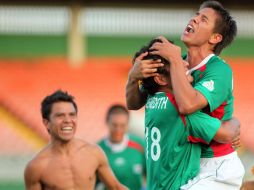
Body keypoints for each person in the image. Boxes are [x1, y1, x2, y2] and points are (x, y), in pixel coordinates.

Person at [125, 1, 244, 189]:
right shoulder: (178, 64)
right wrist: (133, 77)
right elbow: (136, 102)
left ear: (215, 37)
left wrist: (173, 58)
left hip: (216, 164)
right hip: (189, 162)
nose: (194, 19)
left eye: (203, 19)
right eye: (196, 14)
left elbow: (187, 105)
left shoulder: (218, 69)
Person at [24, 90, 127, 190]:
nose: (68, 120)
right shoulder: (36, 167)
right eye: (60, 115)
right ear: (46, 123)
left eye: (72, 115)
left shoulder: (94, 153)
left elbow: (115, 187)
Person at [97, 104, 146, 190]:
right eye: (114, 125)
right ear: (107, 122)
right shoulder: (98, 150)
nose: (118, 130)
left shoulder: (139, 145)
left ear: (128, 124)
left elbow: (151, 174)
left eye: (122, 125)